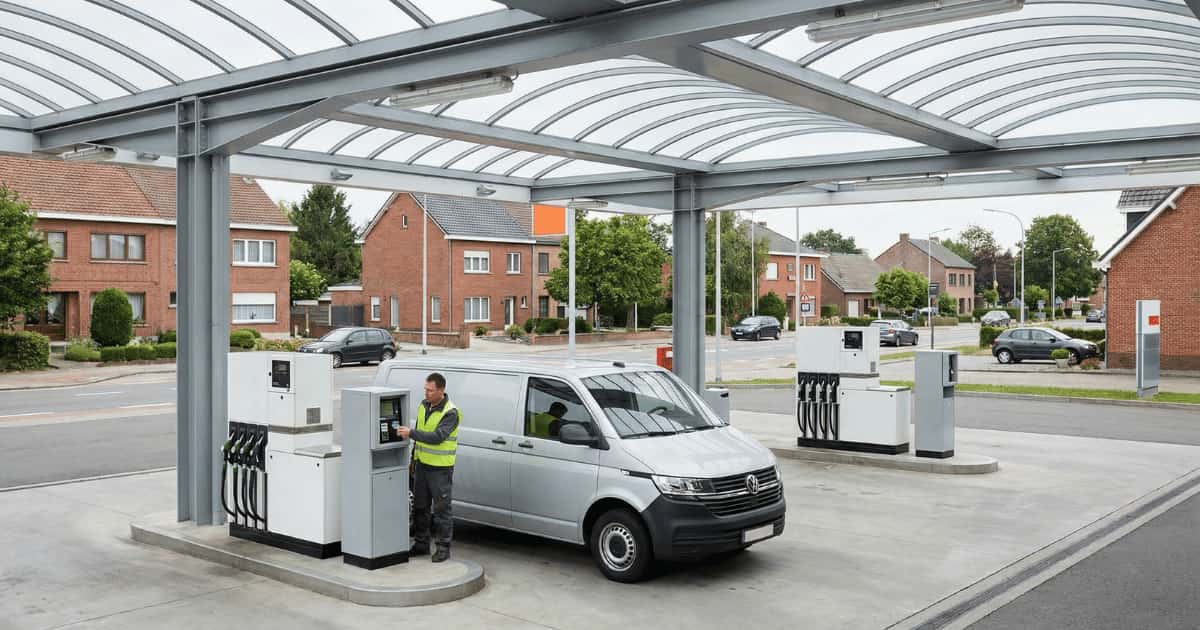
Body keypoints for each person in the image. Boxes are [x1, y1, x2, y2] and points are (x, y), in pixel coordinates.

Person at [396, 372, 459, 563]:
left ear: (441, 390)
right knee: (420, 507)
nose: (426, 393)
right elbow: (422, 435)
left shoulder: (451, 412)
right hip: (422, 466)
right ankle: (421, 544)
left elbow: (438, 437)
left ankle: (443, 548)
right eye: (425, 389)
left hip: (440, 469)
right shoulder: (424, 406)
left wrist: (411, 433)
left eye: (430, 390)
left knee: (441, 510)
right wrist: (413, 461)